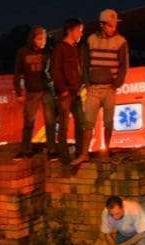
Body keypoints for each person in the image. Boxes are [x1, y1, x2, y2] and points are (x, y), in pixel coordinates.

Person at [72, 8, 129, 164]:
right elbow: (85, 64)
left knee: (109, 123)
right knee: (88, 123)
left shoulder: (121, 41)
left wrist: (116, 85)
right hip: (94, 88)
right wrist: (87, 83)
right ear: (102, 25)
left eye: (114, 24)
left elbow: (124, 66)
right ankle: (84, 153)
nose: (113, 27)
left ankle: (106, 151)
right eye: (110, 25)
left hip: (109, 88)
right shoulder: (91, 39)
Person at [13, 27, 57, 159]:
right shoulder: (23, 53)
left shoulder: (49, 51)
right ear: (33, 39)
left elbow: (54, 70)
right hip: (32, 91)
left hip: (47, 89)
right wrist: (19, 92)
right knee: (28, 122)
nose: (43, 41)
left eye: (44, 38)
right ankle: (25, 150)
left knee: (50, 122)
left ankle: (52, 150)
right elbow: (18, 73)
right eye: (39, 38)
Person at [51, 18, 85, 161]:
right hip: (65, 93)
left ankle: (80, 153)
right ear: (70, 30)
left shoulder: (75, 48)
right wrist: (63, 89)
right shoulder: (60, 48)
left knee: (81, 123)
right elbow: (55, 70)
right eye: (79, 30)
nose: (81, 34)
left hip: (76, 92)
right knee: (63, 125)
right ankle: (63, 156)